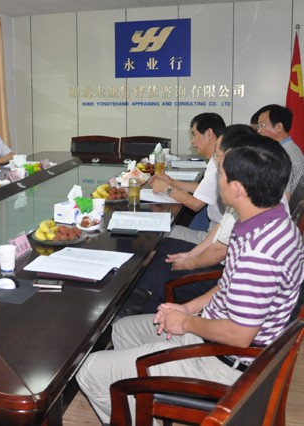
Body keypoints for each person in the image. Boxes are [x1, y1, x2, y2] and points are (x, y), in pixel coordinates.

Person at [76, 134, 304, 425]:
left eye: (221, 173)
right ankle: (140, 403)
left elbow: (239, 334)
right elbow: (228, 286)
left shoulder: (259, 253)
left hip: (226, 362)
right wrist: (187, 308)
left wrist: (185, 323)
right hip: (217, 334)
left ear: (236, 188)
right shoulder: (267, 221)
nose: (217, 180)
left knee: (90, 369)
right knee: (122, 330)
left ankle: (135, 389)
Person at [130, 125, 258, 314]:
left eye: (218, 154)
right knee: (159, 248)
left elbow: (219, 250)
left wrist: (190, 262)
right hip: (221, 263)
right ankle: (144, 299)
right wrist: (191, 255)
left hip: (220, 273)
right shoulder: (242, 183)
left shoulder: (243, 192)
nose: (215, 159)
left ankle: (145, 305)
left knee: (158, 256)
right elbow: (221, 228)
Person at [150, 112, 226, 244]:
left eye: (194, 134)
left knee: (156, 232)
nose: (192, 141)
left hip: (216, 238)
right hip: (217, 232)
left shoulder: (218, 164)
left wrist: (167, 188)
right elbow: (204, 189)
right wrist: (172, 182)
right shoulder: (217, 159)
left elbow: (195, 204)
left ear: (209, 133)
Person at [254, 104, 304, 199]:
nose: (259, 131)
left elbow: (284, 196)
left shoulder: (282, 155)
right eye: (258, 126)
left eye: (262, 125)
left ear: (278, 127)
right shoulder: (291, 148)